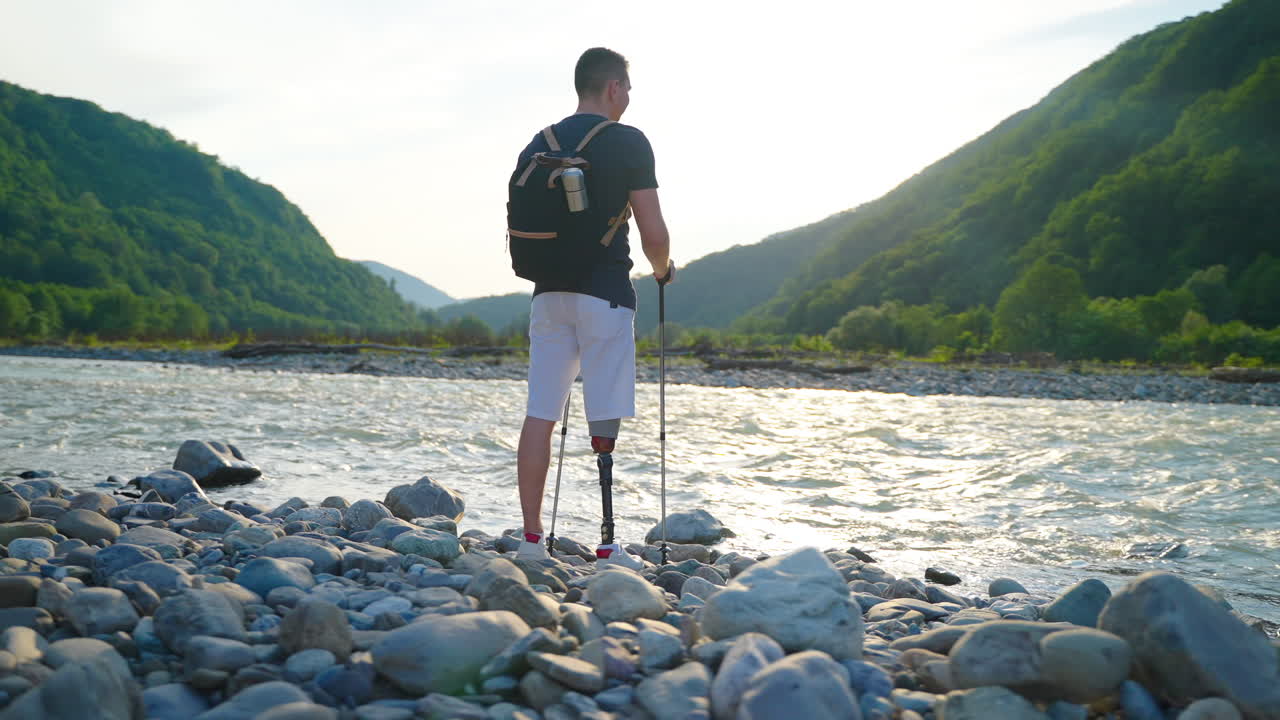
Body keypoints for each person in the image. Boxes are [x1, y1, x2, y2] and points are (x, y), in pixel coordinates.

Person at [512, 47, 673, 569]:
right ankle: (607, 541)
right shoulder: (628, 142)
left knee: (541, 413)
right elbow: (653, 233)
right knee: (602, 408)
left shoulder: (541, 143)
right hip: (604, 294)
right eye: (626, 88)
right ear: (613, 88)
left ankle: (532, 540)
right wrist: (663, 269)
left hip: (548, 296)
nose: (628, 98)